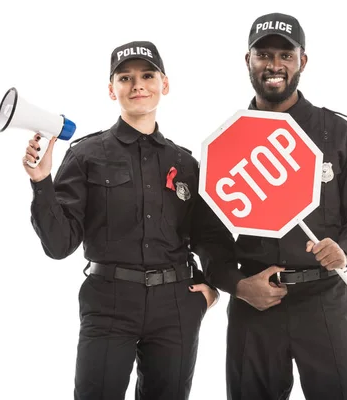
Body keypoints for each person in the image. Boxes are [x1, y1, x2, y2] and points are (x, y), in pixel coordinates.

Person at [21, 40, 236, 400]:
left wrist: (212, 291)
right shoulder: (86, 155)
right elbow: (59, 245)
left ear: (164, 84)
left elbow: (210, 238)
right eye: (125, 77)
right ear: (112, 89)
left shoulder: (187, 164)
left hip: (176, 306)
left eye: (147, 75)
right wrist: (42, 182)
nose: (138, 85)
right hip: (109, 303)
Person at [204, 13, 347, 400]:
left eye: (286, 56)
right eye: (264, 55)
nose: (274, 65)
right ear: (248, 60)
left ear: (303, 61)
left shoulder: (339, 134)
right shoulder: (227, 143)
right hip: (255, 303)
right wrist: (237, 285)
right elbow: (208, 237)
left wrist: (346, 251)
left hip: (325, 300)